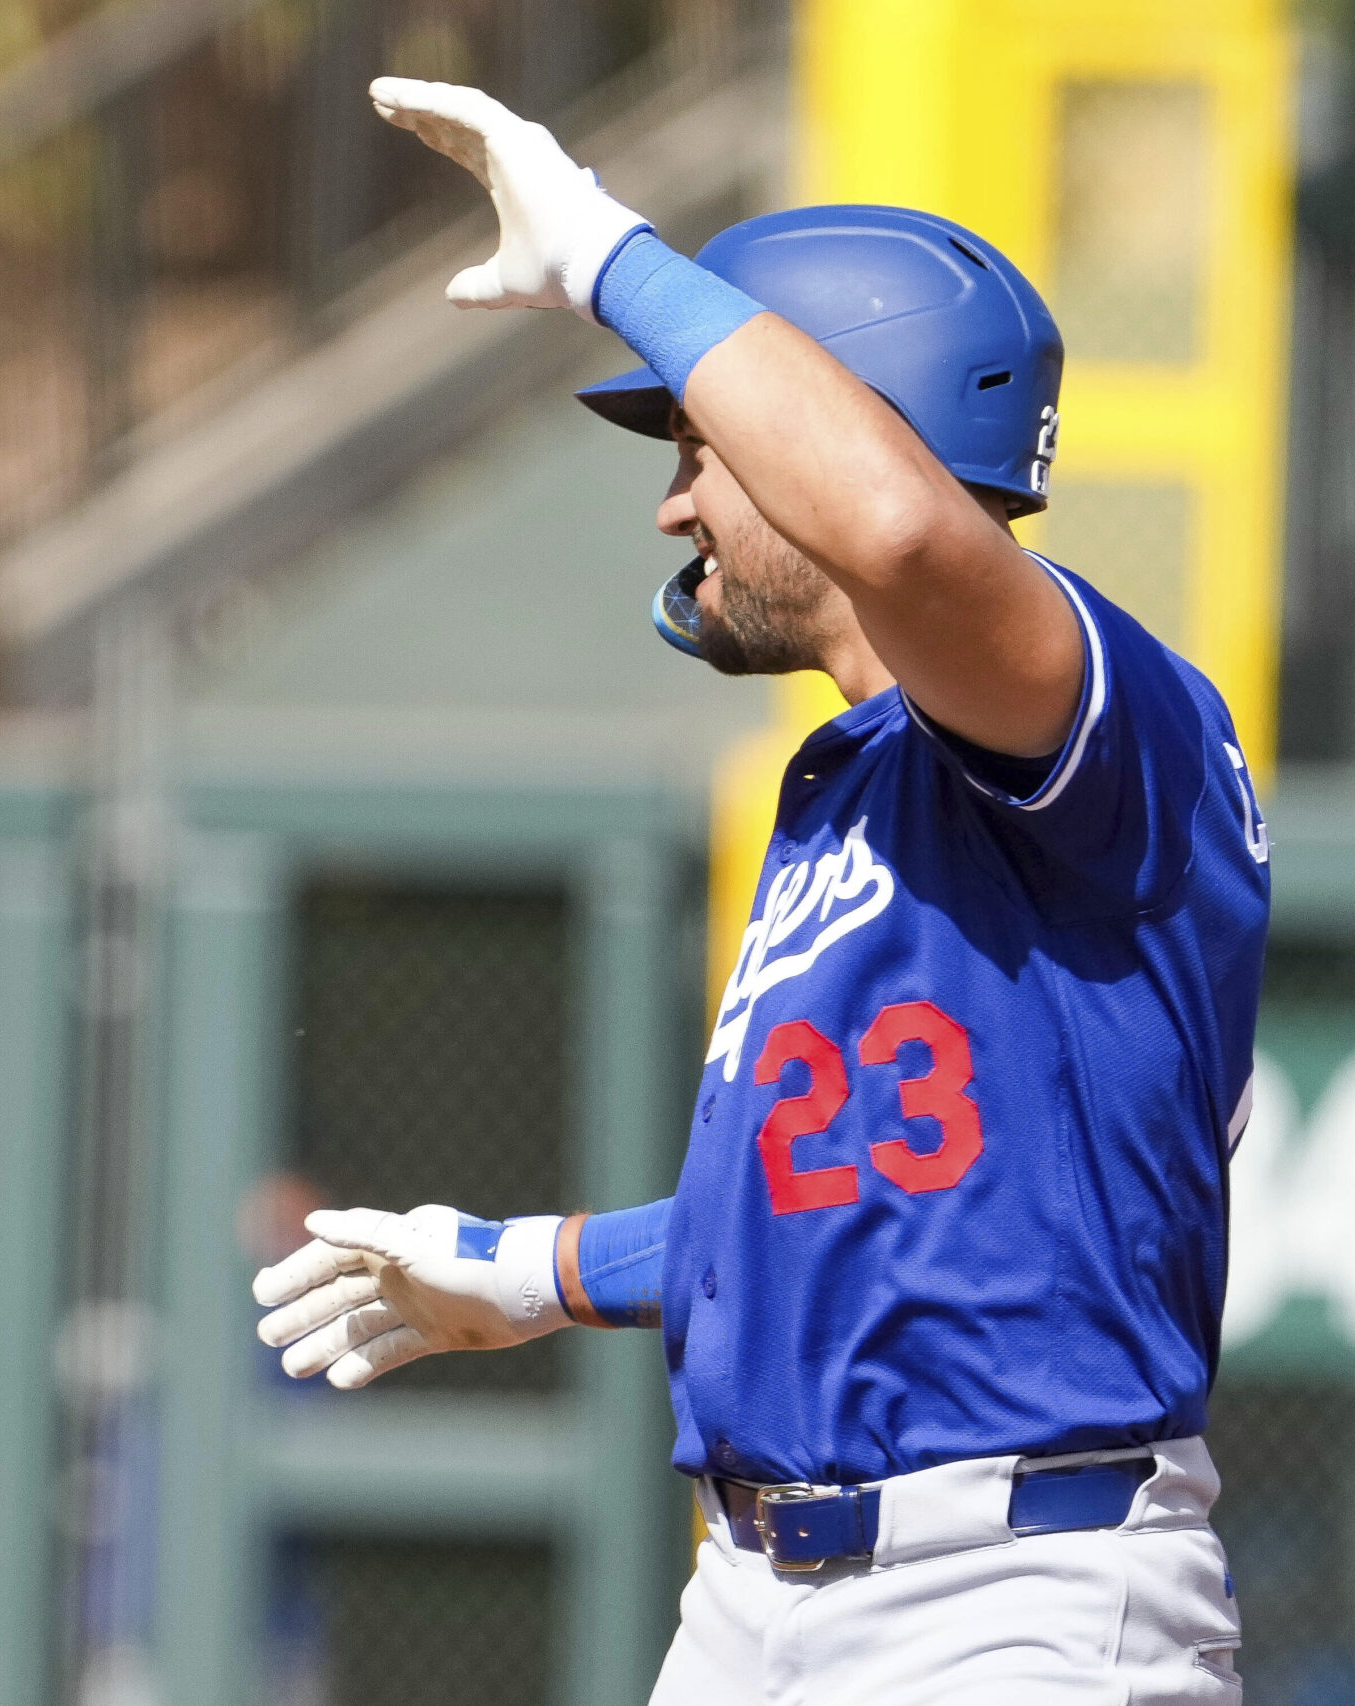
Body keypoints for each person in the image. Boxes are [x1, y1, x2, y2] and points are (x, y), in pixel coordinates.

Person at [251, 78, 1271, 1704]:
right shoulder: (862, 777)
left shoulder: (1106, 708)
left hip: (1014, 1598)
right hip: (756, 1596)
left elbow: (908, 540)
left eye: (701, 445)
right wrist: (536, 1271)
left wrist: (605, 250)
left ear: (843, 436)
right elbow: (863, 1207)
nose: (674, 502)